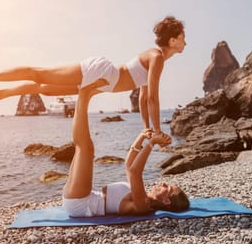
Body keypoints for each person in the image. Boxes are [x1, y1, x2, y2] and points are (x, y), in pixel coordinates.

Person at [0, 15, 186, 138]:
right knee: (37, 73)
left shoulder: (158, 59)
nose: (185, 42)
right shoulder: (156, 57)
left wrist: (146, 127)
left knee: (43, 88)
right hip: (102, 73)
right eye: (182, 37)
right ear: (172, 40)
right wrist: (157, 131)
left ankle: (3, 92)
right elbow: (152, 98)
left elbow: (143, 96)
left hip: (103, 84)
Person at [62, 82, 189, 217]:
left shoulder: (143, 205)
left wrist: (151, 143)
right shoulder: (142, 194)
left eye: (167, 188)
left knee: (85, 148)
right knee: (82, 147)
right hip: (84, 196)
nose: (163, 183)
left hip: (81, 203)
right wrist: (141, 137)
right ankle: (84, 95)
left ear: (166, 201)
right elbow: (129, 165)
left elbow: (135, 172)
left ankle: (84, 94)